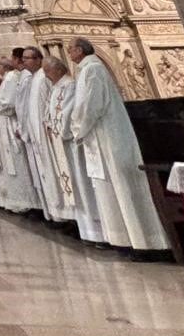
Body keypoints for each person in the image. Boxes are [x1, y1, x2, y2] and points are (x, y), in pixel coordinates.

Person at [68, 38, 167, 252]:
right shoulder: (88, 70)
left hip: (107, 136)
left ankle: (142, 241)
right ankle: (122, 238)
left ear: (80, 50)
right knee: (110, 189)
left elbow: (90, 106)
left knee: (122, 187)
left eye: (70, 49)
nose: (68, 54)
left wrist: (76, 129)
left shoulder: (92, 70)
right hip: (100, 135)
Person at [43, 57, 103, 244]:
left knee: (80, 182)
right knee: (72, 183)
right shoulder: (55, 88)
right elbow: (50, 111)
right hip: (60, 140)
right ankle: (83, 228)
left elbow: (70, 111)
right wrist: (49, 123)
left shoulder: (70, 85)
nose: (45, 74)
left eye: (48, 70)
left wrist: (60, 129)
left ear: (59, 70)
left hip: (69, 141)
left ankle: (95, 230)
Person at [19, 46, 73, 223]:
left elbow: (54, 102)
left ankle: (65, 215)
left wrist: (50, 125)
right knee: (46, 174)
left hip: (50, 134)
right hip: (40, 134)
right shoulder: (34, 78)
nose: (23, 61)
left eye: (26, 58)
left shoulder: (44, 78)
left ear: (37, 59)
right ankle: (55, 214)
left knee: (56, 173)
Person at [0, 56, 41, 215]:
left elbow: (7, 103)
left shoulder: (10, 79)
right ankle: (16, 202)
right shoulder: (10, 78)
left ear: (4, 66)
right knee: (11, 165)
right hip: (4, 126)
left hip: (10, 126)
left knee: (17, 163)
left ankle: (25, 203)